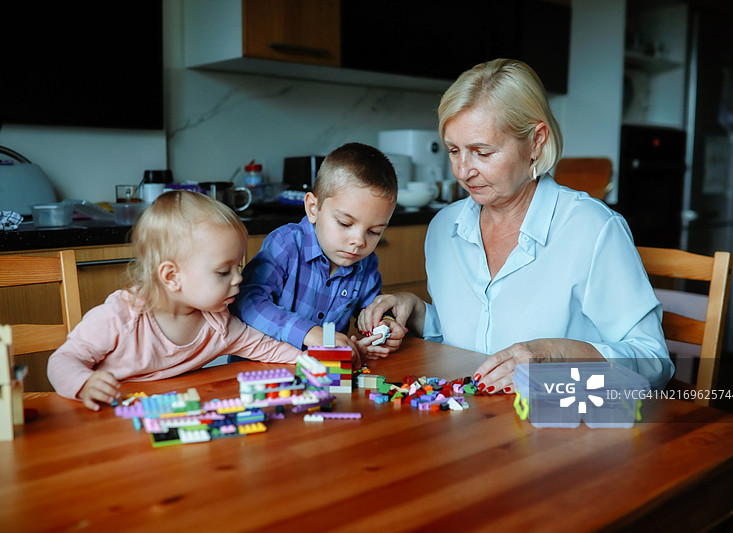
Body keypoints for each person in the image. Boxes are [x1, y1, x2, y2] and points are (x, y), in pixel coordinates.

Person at [358, 59, 674, 391]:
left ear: (536, 141)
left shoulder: (593, 229)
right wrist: (418, 312)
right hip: (471, 425)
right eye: (454, 150)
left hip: (562, 425)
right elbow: (475, 340)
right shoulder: (443, 228)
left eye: (482, 152)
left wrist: (556, 355)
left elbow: (653, 362)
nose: (463, 171)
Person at [47, 190, 303, 410]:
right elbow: (62, 360)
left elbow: (270, 348)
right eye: (224, 271)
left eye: (239, 265)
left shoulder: (219, 325)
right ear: (171, 276)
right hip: (108, 423)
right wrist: (84, 383)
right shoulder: (120, 318)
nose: (238, 278)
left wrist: (316, 357)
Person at [232, 142, 406, 364]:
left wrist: (384, 327)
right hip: (259, 372)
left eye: (374, 231)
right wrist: (310, 333)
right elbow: (247, 301)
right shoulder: (286, 244)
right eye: (344, 223)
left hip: (323, 375)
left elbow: (371, 310)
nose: (359, 241)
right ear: (313, 208)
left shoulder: (366, 263)